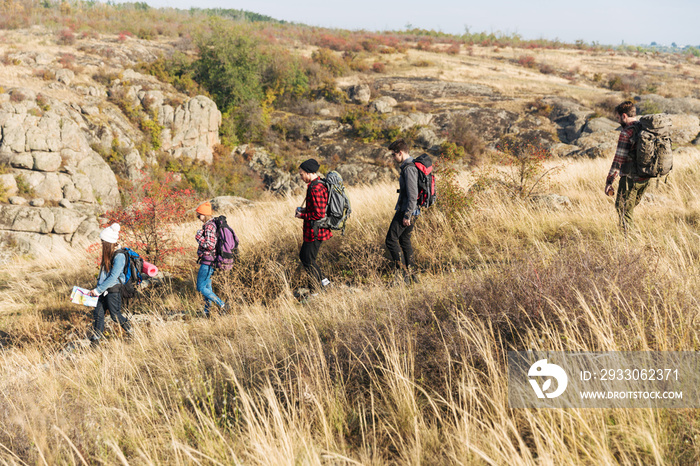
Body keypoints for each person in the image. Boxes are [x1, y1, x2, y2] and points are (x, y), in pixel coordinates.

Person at [604, 101, 649, 231]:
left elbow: (618, 160)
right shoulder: (644, 128)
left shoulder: (626, 133)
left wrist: (609, 181)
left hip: (630, 179)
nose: (618, 121)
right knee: (628, 209)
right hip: (645, 178)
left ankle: (630, 243)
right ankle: (630, 237)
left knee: (623, 208)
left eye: (618, 118)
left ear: (624, 116)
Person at [87, 223, 133, 344]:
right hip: (102, 289)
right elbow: (104, 274)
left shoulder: (119, 256)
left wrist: (98, 290)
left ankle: (132, 332)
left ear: (108, 242)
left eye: (103, 241)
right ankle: (95, 342)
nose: (101, 244)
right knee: (98, 314)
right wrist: (98, 288)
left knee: (115, 315)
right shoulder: (109, 253)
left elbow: (113, 277)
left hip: (113, 290)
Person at [295, 158, 331, 293]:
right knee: (307, 258)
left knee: (307, 259)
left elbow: (319, 214)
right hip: (316, 230)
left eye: (301, 174)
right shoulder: (318, 184)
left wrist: (302, 215)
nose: (301, 177)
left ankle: (315, 290)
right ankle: (325, 283)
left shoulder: (316, 188)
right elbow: (316, 209)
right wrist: (304, 210)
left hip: (316, 230)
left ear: (309, 173)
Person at [385, 139, 419, 283]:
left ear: (400, 153)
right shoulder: (407, 167)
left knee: (391, 240)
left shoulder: (409, 168)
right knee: (404, 241)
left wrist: (407, 215)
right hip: (410, 211)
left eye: (393, 155)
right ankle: (412, 277)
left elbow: (413, 194)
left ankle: (404, 275)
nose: (393, 158)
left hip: (407, 211)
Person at [195, 201, 228, 316]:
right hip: (210, 260)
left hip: (208, 261)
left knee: (200, 287)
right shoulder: (211, 224)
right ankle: (207, 312)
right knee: (207, 287)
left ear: (204, 214)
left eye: (199, 214)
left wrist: (198, 237)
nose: (198, 217)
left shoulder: (209, 226)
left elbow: (210, 245)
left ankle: (222, 304)